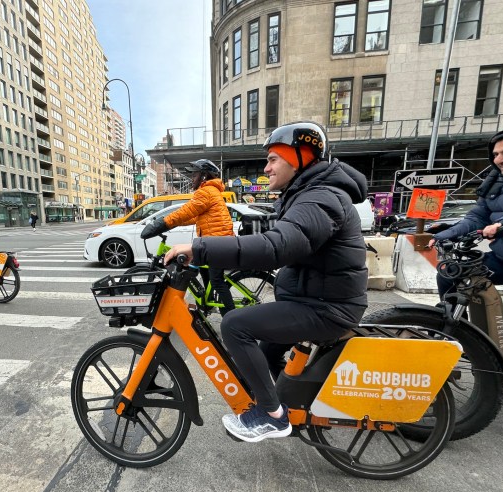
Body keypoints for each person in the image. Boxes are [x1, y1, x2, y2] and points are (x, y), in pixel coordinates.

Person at [164, 122, 368, 442]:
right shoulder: (305, 193)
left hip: (327, 307)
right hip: (312, 299)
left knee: (233, 324)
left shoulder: (321, 197)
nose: (267, 166)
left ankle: (272, 417)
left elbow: (277, 246)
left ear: (299, 158)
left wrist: (199, 249)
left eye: (274, 158)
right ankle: (286, 406)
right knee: (268, 350)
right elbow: (280, 235)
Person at [141, 159, 236, 316]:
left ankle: (232, 317)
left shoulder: (206, 192)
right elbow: (193, 217)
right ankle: (207, 303)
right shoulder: (211, 191)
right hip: (213, 241)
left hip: (217, 243)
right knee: (201, 269)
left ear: (204, 176)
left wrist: (162, 223)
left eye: (195, 174)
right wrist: (175, 224)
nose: (192, 178)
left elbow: (186, 211)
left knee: (217, 281)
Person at [429, 128, 503, 297]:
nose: (499, 159)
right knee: (450, 274)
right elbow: (478, 217)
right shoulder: (495, 182)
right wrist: (446, 234)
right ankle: (452, 323)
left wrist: (502, 224)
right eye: (496, 154)